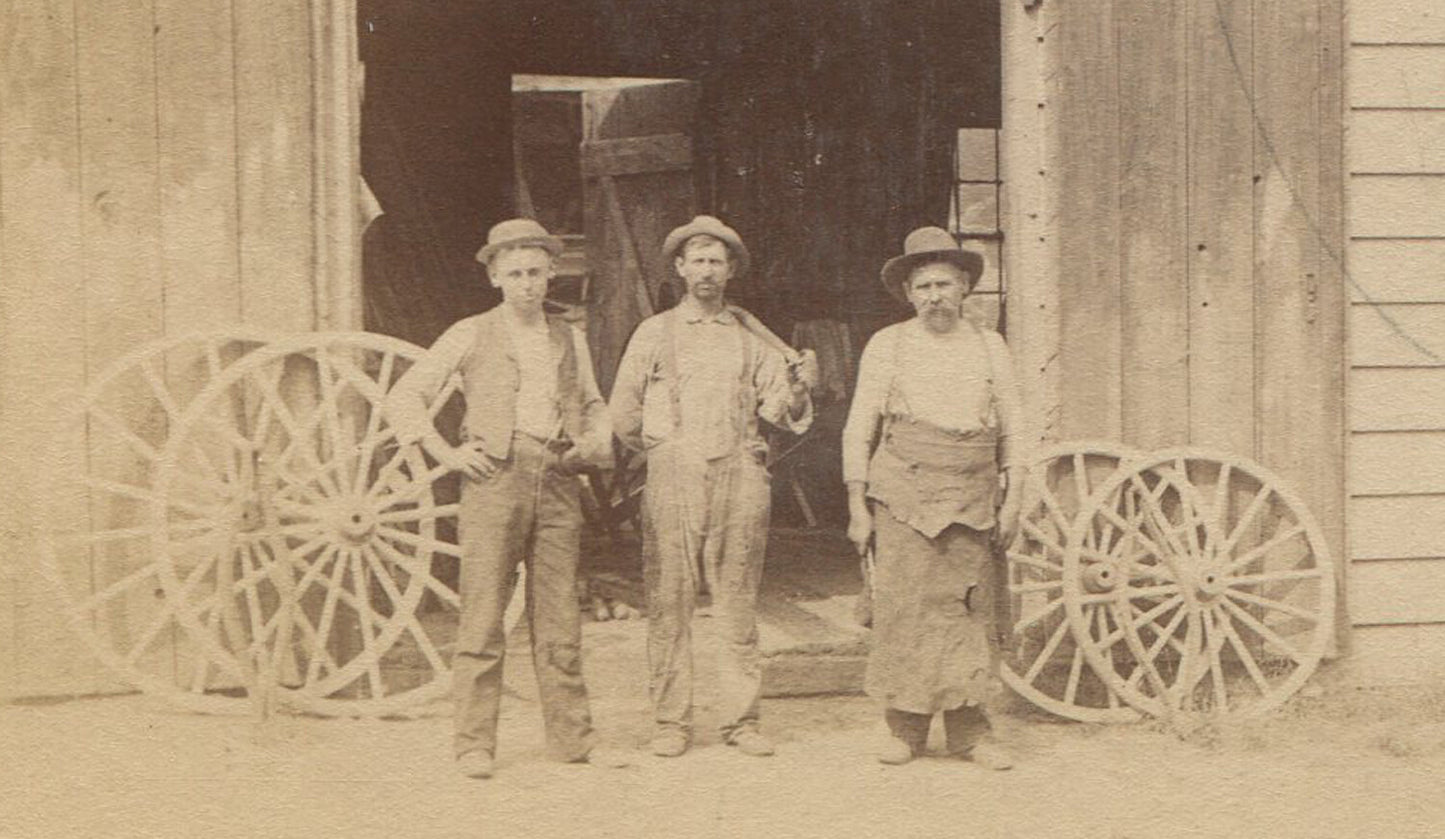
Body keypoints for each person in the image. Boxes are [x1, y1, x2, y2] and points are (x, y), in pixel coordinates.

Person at [386, 218, 626, 779]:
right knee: (483, 616)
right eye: (515, 273)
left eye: (537, 273)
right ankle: (475, 745)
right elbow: (406, 397)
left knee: (560, 617)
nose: (527, 284)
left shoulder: (570, 337)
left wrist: (594, 438)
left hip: (560, 482)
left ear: (550, 275)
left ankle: (572, 740)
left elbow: (593, 404)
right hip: (494, 480)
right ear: (494, 276)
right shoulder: (469, 333)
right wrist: (447, 455)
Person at [609, 215, 817, 759]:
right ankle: (671, 722)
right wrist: (660, 452)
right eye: (696, 260)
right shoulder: (654, 334)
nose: (706, 270)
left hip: (740, 472)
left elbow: (781, 409)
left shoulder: (751, 335)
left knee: (737, 601)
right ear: (679, 269)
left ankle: (740, 721)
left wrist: (798, 390)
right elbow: (623, 413)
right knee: (669, 599)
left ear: (730, 272)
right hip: (674, 470)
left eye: (716, 261)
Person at [841, 226, 1026, 769]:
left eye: (944, 284)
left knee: (970, 612)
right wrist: (856, 506)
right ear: (908, 294)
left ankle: (971, 733)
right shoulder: (889, 345)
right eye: (922, 287)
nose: (934, 297)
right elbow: (858, 429)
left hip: (973, 494)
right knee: (906, 611)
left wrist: (1013, 501)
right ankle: (906, 731)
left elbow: (1015, 426)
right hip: (902, 496)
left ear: (965, 287)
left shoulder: (990, 347)